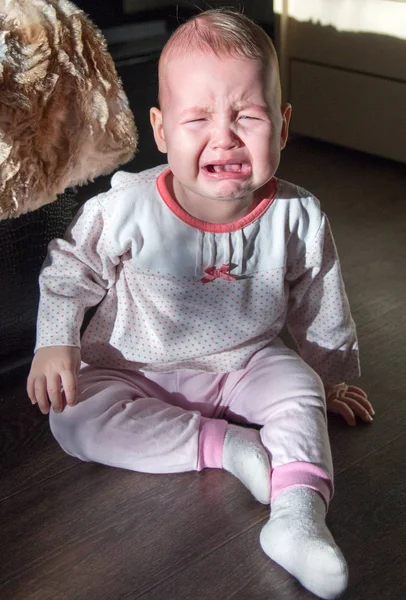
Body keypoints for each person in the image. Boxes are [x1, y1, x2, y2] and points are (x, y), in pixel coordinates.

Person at [27, 9, 374, 600]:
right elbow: (70, 269)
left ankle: (297, 520)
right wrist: (54, 341)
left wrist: (329, 376)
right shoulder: (127, 209)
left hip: (245, 365)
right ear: (161, 132)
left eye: (249, 115)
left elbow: (321, 301)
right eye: (199, 119)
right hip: (131, 367)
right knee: (74, 419)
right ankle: (226, 447)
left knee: (298, 394)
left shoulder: (297, 215)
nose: (226, 136)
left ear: (283, 127)